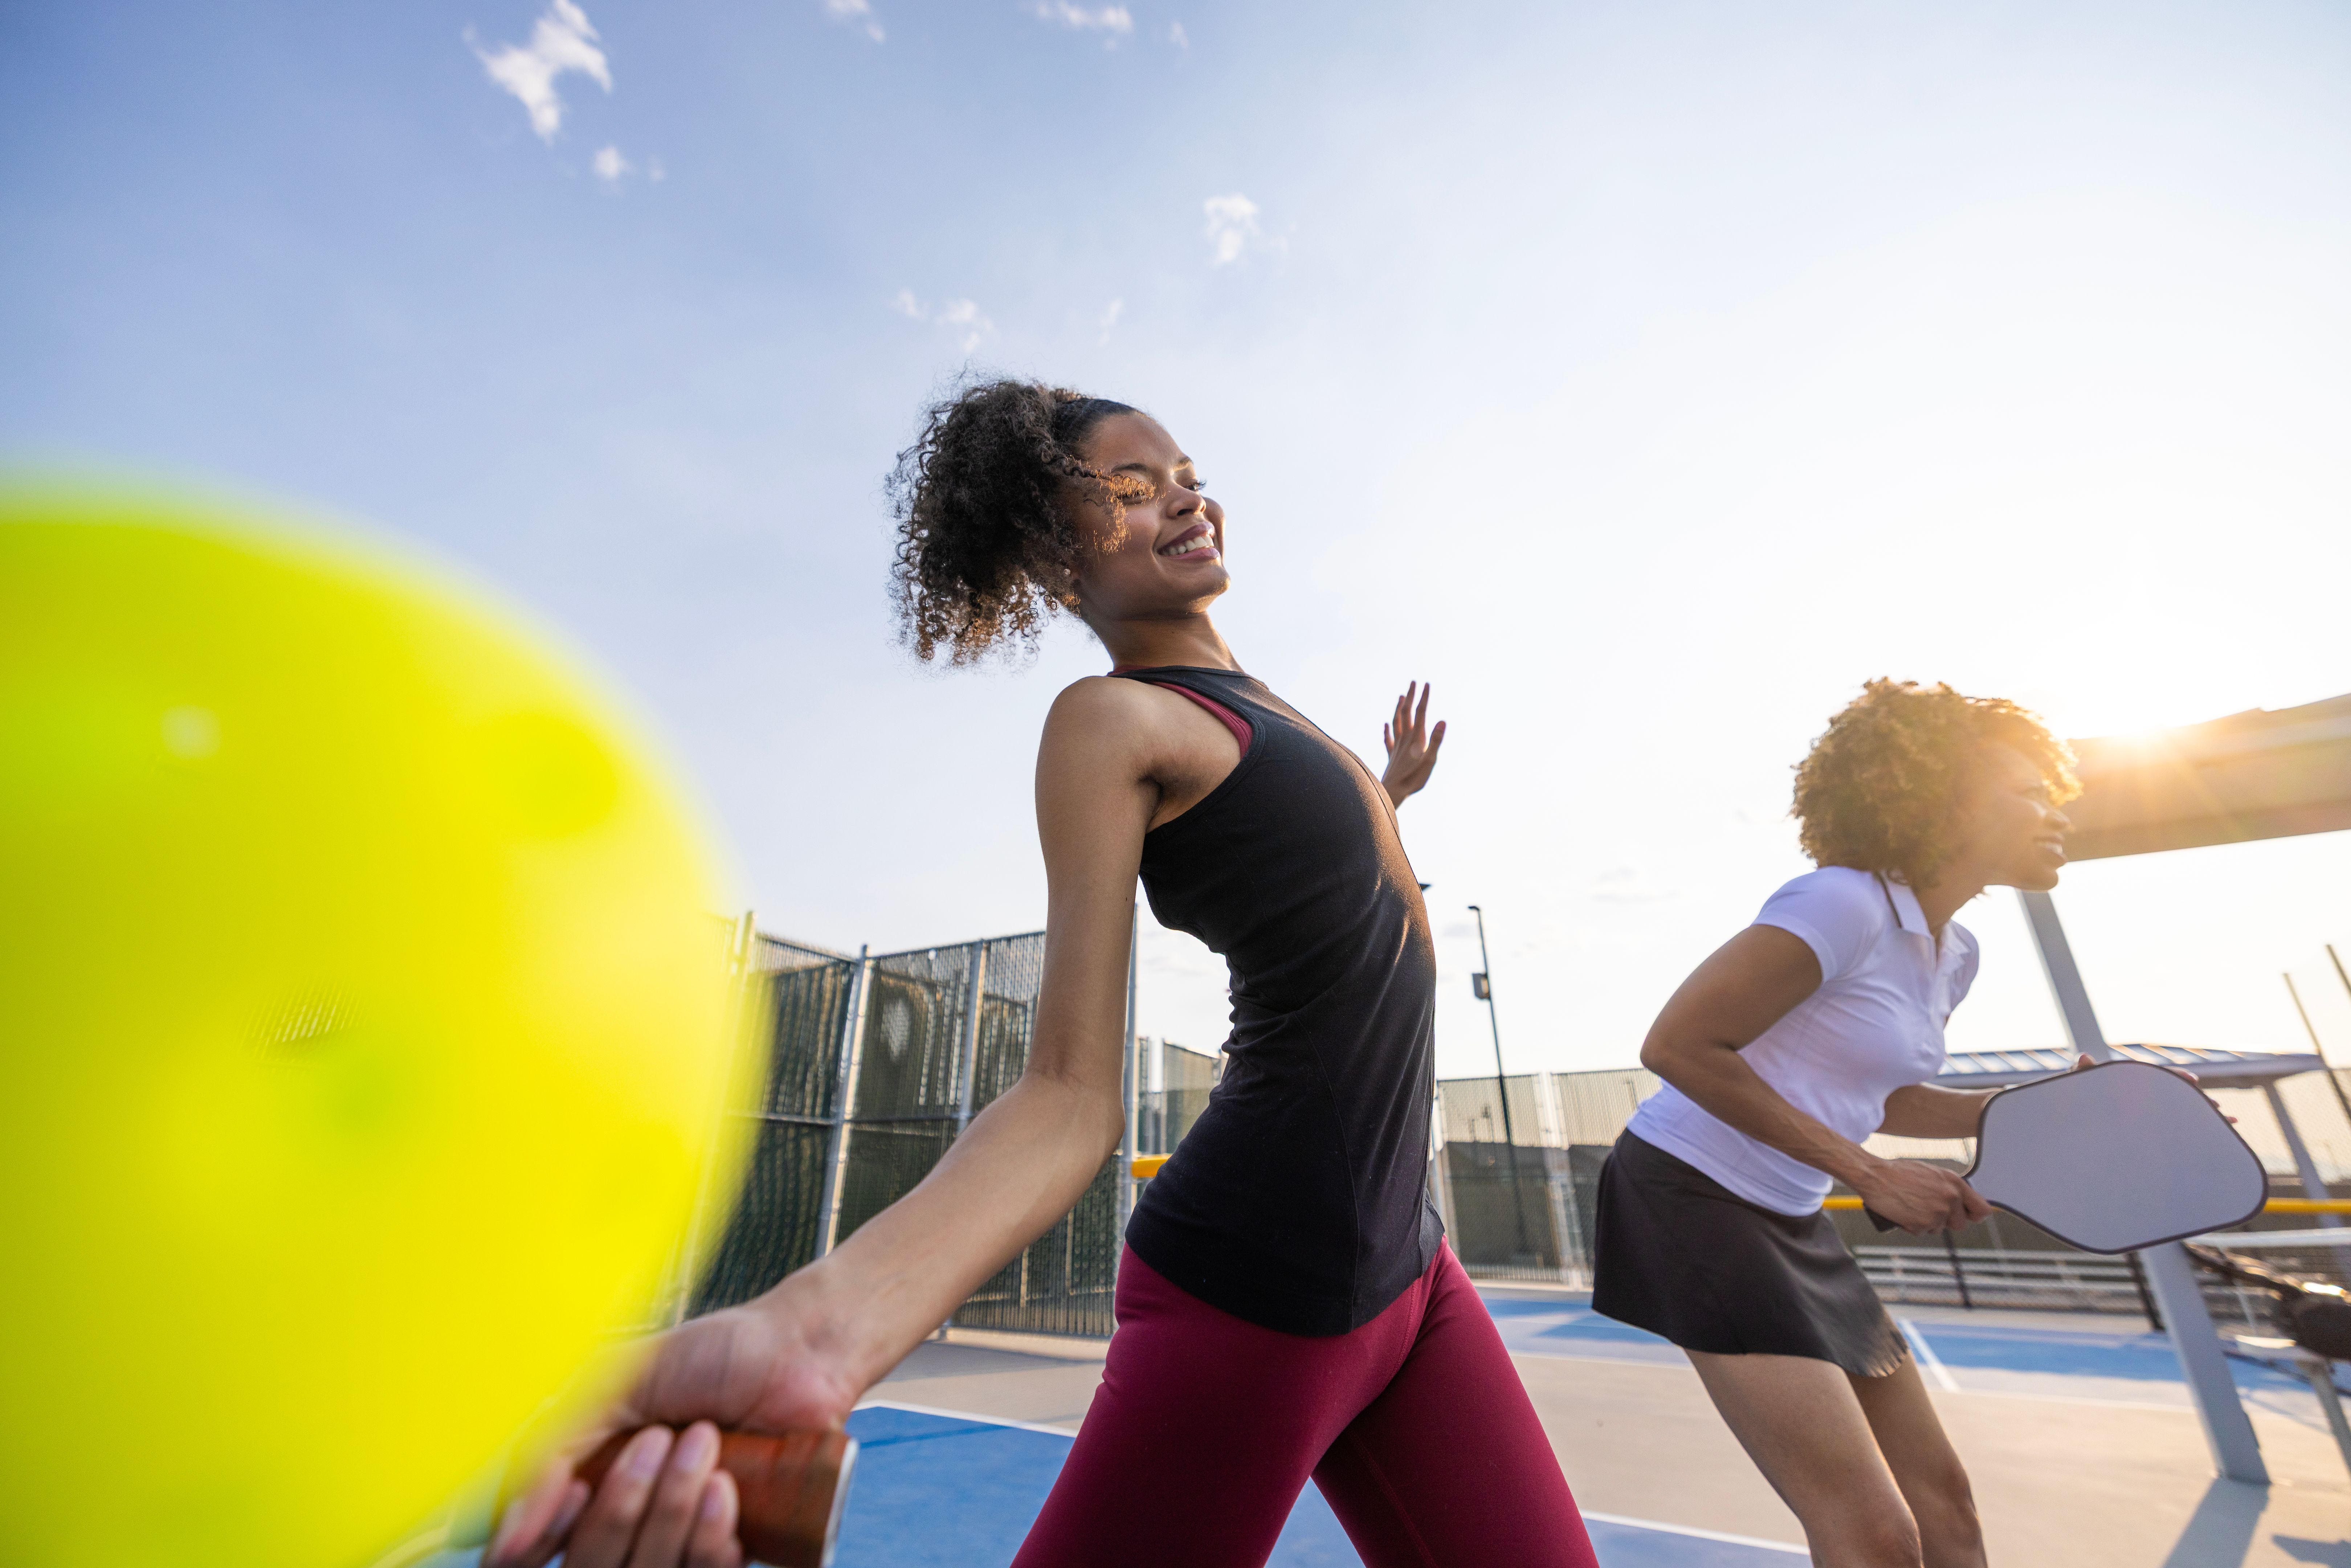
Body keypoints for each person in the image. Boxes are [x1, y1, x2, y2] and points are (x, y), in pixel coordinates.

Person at [488, 381, 1598, 1568]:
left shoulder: (1275, 716)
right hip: (1251, 1287)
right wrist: (816, 1336)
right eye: (1127, 491)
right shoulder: (1112, 722)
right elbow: (1068, 1095)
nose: (1178, 495)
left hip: (1409, 1276)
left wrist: (1385, 790)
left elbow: (1341, 908)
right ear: (1058, 569)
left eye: (1179, 471)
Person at [1592, 678, 2082, 1568]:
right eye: (2026, 789)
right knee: (1873, 1533)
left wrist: (2042, 1108)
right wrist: (1871, 1173)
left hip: (1788, 1214)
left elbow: (1879, 1093)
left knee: (1948, 1513)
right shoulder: (1842, 904)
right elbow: (1677, 1045)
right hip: (1687, 1195)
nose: (2052, 809)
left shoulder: (1952, 951)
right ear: (1945, 799)